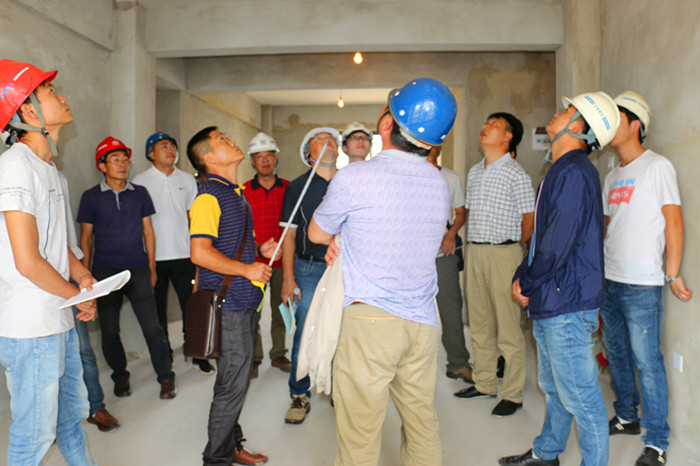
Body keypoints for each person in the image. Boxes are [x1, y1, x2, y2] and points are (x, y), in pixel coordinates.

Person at [308, 77, 458, 465]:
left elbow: (317, 233)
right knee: (422, 423)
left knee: (360, 435)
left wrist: (340, 236)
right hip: (422, 322)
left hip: (370, 320)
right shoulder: (438, 182)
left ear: (387, 123)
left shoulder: (355, 176)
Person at [501, 92, 620, 466]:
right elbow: (544, 239)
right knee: (554, 387)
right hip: (554, 297)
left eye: (567, 110)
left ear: (579, 126)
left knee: (581, 396)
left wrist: (527, 281)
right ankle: (547, 452)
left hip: (566, 302)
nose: (557, 112)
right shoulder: (562, 170)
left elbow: (556, 245)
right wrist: (523, 275)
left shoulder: (574, 173)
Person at [0, 59, 96, 464]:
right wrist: (76, 295)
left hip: (56, 315)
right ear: (27, 110)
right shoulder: (15, 167)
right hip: (31, 326)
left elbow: (59, 247)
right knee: (33, 435)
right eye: (50, 92)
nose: (63, 97)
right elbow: (28, 262)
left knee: (72, 419)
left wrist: (83, 276)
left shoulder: (52, 171)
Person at [601, 91, 692, 466]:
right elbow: (609, 226)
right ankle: (627, 416)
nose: (609, 126)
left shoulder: (658, 166)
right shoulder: (611, 174)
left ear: (635, 124)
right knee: (617, 354)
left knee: (647, 362)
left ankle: (656, 442)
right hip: (609, 278)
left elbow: (674, 221)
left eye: (616, 118)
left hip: (642, 283)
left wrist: (672, 272)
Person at [187, 126, 277, 466]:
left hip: (241, 300)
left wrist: (258, 250)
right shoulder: (209, 196)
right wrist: (248, 269)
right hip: (230, 304)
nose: (232, 141)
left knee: (232, 381)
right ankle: (216, 460)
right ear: (209, 158)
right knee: (233, 386)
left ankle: (231, 446)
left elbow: (226, 244)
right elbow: (199, 252)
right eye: (222, 140)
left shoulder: (233, 192)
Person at [78, 136, 177, 400]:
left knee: (152, 327)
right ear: (102, 166)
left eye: (125, 160)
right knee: (110, 330)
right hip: (104, 271)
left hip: (138, 268)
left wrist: (152, 267)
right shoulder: (91, 197)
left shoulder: (140, 193)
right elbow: (86, 239)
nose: (123, 164)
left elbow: (148, 232)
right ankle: (120, 376)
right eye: (115, 160)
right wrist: (86, 275)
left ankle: (166, 377)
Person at [455, 112, 534, 418]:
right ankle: (485, 382)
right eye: (486, 123)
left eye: (494, 125)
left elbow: (529, 218)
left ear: (508, 137)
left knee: (508, 327)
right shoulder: (475, 172)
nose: (485, 127)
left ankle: (512, 393)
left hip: (504, 254)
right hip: (475, 251)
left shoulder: (516, 173)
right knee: (479, 322)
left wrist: (516, 248)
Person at [132, 132, 215, 375]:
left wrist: (200, 251)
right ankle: (164, 354)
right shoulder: (140, 181)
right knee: (157, 310)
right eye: (163, 146)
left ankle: (197, 353)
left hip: (184, 255)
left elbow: (193, 217)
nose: (170, 150)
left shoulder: (187, 180)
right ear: (151, 154)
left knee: (192, 308)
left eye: (173, 146)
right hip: (153, 257)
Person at [279, 126, 340, 424]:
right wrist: (288, 278)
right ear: (308, 154)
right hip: (308, 268)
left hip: (344, 268)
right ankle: (299, 393)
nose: (327, 142)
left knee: (343, 330)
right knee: (305, 331)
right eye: (319, 139)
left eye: (332, 139)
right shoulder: (297, 187)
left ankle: (339, 389)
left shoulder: (351, 180)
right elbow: (289, 236)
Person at [61, 171, 120, 433]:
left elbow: (66, 238)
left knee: (83, 349)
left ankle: (96, 407)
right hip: (34, 281)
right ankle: (53, 421)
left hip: (69, 270)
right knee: (46, 357)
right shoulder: (18, 170)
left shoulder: (58, 176)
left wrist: (83, 278)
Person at [243, 132, 291, 378]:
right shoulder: (243, 191)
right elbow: (239, 230)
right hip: (254, 263)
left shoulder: (290, 188)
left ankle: (279, 353)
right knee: (253, 311)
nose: (265, 161)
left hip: (283, 261)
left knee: (281, 308)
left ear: (276, 159)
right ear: (252, 161)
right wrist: (257, 247)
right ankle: (254, 356)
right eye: (259, 157)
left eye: (269, 156)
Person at [426, 145, 473, 384]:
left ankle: (458, 364)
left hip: (443, 253)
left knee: (451, 308)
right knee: (407, 314)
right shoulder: (405, 173)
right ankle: (404, 369)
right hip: (410, 256)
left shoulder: (450, 178)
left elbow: (460, 212)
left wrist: (451, 233)